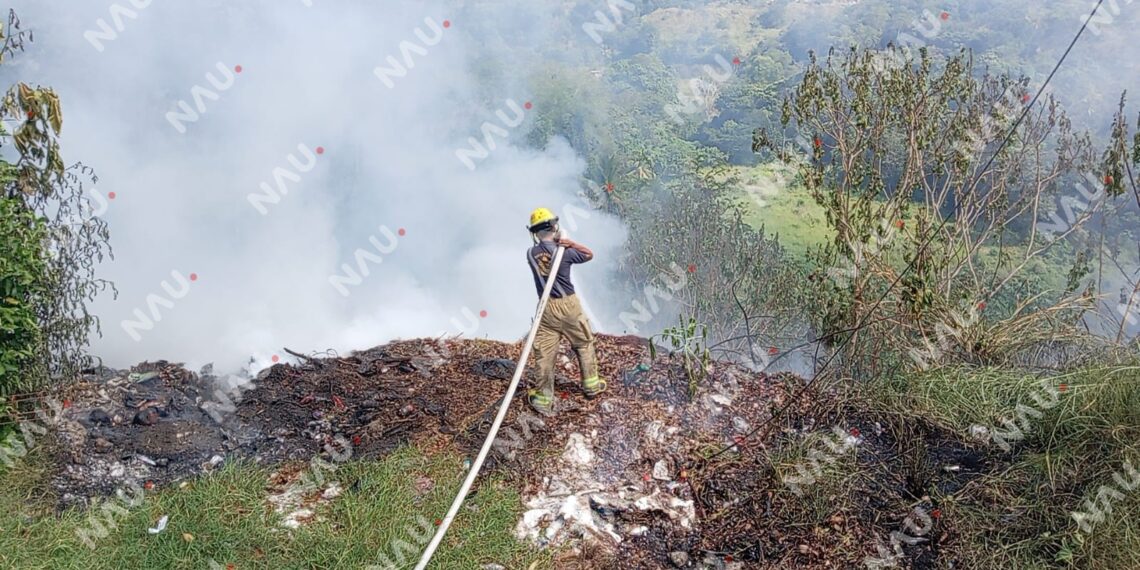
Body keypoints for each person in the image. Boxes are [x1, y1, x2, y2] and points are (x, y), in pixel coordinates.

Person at [525, 207, 606, 415]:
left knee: (544, 353)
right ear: (555, 226)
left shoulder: (530, 253)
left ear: (534, 232)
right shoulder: (566, 252)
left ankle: (543, 398)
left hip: (546, 307)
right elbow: (589, 254)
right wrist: (570, 243)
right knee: (584, 343)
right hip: (568, 305)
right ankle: (591, 386)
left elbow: (544, 253)